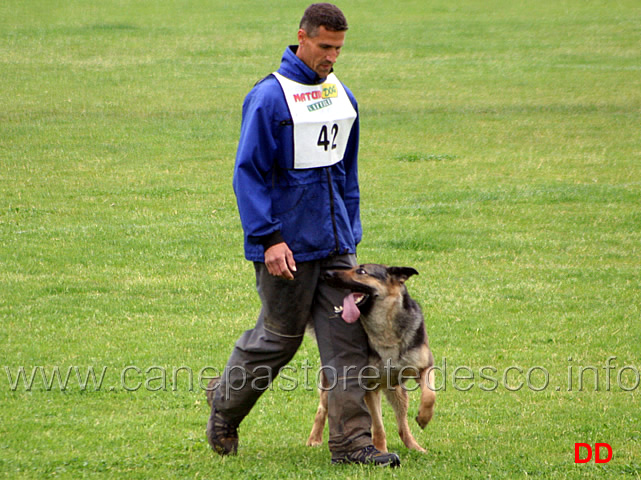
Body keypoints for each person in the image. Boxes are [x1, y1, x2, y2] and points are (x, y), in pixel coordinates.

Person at [206, 3, 401, 467]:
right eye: (325, 46)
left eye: (339, 48)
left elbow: (346, 173)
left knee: (348, 345)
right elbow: (247, 173)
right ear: (302, 37)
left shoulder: (342, 97)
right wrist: (269, 238)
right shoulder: (269, 97)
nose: (332, 56)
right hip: (285, 248)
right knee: (279, 339)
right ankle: (224, 409)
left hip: (334, 246)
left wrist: (349, 235)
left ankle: (352, 445)